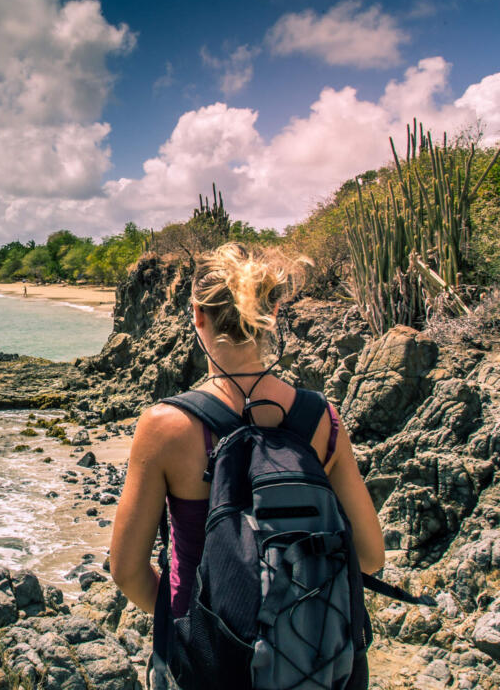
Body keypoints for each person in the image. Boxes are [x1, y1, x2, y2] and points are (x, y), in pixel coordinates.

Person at [109, 242, 385, 687]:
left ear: (197, 315)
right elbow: (370, 556)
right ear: (273, 311)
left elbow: (126, 570)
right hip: (310, 658)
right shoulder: (322, 418)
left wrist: (193, 615)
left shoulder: (166, 426)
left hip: (208, 664)